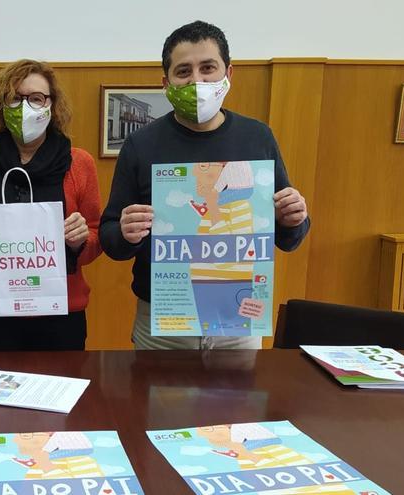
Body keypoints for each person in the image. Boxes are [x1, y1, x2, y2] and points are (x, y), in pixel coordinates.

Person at [100, 21, 310, 351]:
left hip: (238, 321)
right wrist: (125, 233)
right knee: (156, 404)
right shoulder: (141, 145)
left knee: (239, 404)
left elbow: (287, 236)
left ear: (228, 74)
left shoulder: (257, 138)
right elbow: (110, 237)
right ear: (166, 83)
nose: (197, 80)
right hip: (164, 326)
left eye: (208, 68)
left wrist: (294, 218)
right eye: (184, 71)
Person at [0, 60, 101, 351]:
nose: (25, 106)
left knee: (61, 392)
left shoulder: (80, 164)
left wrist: (82, 240)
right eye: (15, 98)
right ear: (2, 106)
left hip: (61, 314)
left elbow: (96, 238)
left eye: (36, 98)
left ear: (51, 105)